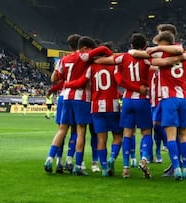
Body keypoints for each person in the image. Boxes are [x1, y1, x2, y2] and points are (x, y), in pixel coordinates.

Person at [44, 35, 112, 175]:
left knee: (62, 129)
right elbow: (104, 48)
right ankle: (76, 165)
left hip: (65, 96)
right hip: (80, 98)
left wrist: (62, 85)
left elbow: (54, 78)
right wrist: (112, 58)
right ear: (85, 48)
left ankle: (50, 159)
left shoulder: (63, 59)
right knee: (80, 131)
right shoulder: (84, 57)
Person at [95, 33, 152, 179]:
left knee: (127, 133)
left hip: (127, 100)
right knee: (146, 132)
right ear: (145, 45)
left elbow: (116, 74)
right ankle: (144, 159)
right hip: (142, 99)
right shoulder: (147, 58)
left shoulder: (122, 57)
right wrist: (139, 88)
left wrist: (95, 59)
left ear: (131, 45)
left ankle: (125, 168)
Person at [64, 43, 124, 176]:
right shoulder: (114, 66)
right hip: (112, 105)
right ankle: (112, 158)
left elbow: (80, 82)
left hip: (96, 107)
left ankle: (104, 169)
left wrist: (67, 84)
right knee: (118, 136)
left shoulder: (91, 67)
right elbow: (120, 81)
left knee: (101, 139)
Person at [148, 31, 186, 180]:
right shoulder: (183, 54)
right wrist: (181, 57)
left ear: (164, 43)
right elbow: (181, 53)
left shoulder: (161, 56)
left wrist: (156, 50)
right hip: (184, 98)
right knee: (184, 135)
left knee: (171, 137)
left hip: (169, 99)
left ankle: (176, 169)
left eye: (159, 45)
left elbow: (160, 62)